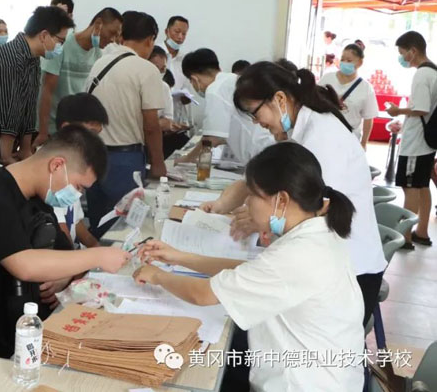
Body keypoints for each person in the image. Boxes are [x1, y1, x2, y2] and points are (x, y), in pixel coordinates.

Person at [134, 142, 365, 392]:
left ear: (281, 200)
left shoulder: (299, 253)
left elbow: (203, 294)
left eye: (253, 195)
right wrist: (180, 257)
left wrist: (157, 276)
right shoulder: (318, 230)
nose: (246, 203)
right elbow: (251, 270)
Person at [0, 125, 131, 385]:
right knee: (63, 374)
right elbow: (25, 265)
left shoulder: (36, 198)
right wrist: (98, 256)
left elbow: (64, 253)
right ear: (57, 165)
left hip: (3, 317)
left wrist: (63, 276)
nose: (77, 196)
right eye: (79, 187)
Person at [208, 61, 385, 326]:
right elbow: (260, 179)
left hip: (351, 269)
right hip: (325, 263)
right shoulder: (301, 129)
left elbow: (305, 211)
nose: (257, 123)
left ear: (279, 99)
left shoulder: (321, 136)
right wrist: (224, 203)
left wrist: (260, 219)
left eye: (255, 113)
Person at [84, 11, 165, 236]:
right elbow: (151, 125)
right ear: (150, 39)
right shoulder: (146, 70)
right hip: (125, 161)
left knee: (99, 225)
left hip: (92, 156)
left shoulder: (100, 63)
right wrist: (158, 163)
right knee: (125, 228)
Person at [0, 6, 75, 168]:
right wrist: (7, 157)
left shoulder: (33, 58)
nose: (61, 47)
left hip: (0, 147)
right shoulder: (11, 59)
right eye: (60, 41)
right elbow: (10, 111)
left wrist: (26, 150)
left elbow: (29, 107)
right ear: (44, 35)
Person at [35, 7, 123, 148]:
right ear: (98, 24)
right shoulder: (62, 46)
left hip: (75, 131)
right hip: (51, 129)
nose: (113, 40)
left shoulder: (97, 54)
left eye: (116, 36)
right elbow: (47, 91)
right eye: (112, 33)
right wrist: (43, 132)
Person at [177, 49, 274, 165]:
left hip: (261, 154)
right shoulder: (233, 79)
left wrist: (188, 159)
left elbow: (211, 139)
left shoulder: (215, 90)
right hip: (270, 147)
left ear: (194, 79)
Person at [387, 31, 437, 247]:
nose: (402, 57)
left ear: (413, 51)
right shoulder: (433, 71)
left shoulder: (422, 75)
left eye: (402, 53)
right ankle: (422, 231)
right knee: (422, 186)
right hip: (427, 142)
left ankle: (406, 236)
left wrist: (398, 111)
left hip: (416, 142)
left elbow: (422, 108)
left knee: (411, 188)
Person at [50, 93, 109, 251]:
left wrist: (96, 247)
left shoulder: (73, 165)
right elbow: (62, 234)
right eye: (91, 133)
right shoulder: (53, 171)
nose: (95, 142)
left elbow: (75, 222)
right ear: (66, 129)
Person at [319, 43, 378, 149]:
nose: (344, 63)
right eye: (342, 59)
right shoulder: (327, 78)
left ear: (360, 63)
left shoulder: (366, 88)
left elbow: (368, 118)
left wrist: (363, 143)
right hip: (324, 135)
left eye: (349, 60)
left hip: (349, 139)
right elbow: (314, 101)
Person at [148, 46, 189, 158]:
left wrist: (153, 124)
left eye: (163, 69)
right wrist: (158, 123)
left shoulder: (164, 88)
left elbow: (167, 121)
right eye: (156, 68)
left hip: (157, 139)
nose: (160, 72)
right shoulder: (135, 85)